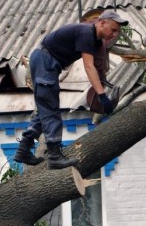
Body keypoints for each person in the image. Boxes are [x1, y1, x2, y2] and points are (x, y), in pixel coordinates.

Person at [13, 10, 128, 169]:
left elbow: (98, 66)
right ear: (101, 22)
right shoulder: (87, 32)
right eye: (113, 29)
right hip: (45, 61)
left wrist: (103, 88)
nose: (115, 34)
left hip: (45, 61)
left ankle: (23, 149)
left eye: (118, 32)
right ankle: (54, 156)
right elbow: (89, 66)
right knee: (51, 108)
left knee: (44, 108)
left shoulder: (95, 38)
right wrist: (102, 95)